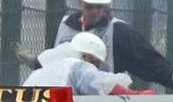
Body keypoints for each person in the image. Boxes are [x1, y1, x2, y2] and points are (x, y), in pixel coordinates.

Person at [15, 0, 173, 90]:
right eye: (90, 6)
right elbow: (57, 67)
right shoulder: (64, 27)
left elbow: (149, 62)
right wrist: (37, 62)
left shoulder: (118, 32)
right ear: (80, 3)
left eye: (100, 6)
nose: (96, 11)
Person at [22, 32, 151, 95]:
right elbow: (101, 84)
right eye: (95, 62)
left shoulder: (42, 71)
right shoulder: (75, 65)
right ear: (85, 56)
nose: (95, 68)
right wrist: (135, 95)